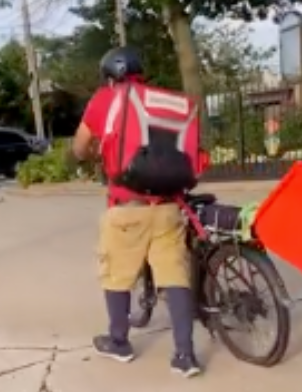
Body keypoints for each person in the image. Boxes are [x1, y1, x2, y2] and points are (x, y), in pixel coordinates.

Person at [70, 46, 202, 378]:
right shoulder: (167, 101)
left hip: (127, 206)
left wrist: (89, 154)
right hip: (169, 205)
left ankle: (119, 342)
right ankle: (185, 356)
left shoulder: (106, 99)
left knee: (115, 272)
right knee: (175, 275)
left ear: (108, 75)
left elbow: (79, 145)